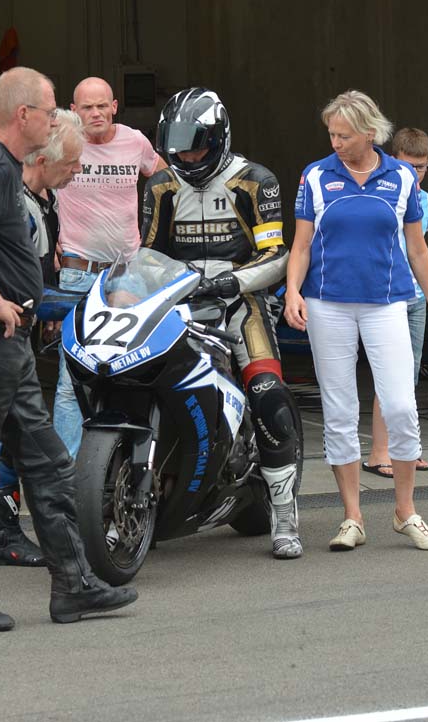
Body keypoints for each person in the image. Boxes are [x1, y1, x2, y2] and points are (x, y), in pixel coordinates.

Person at [0, 67, 137, 631]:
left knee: (45, 465)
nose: (55, 120)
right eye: (49, 110)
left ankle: (73, 587)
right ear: (24, 116)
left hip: (5, 346)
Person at [284, 90, 428, 553]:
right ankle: (352, 517)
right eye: (331, 134)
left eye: (343, 134)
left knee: (400, 405)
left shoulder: (401, 177)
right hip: (327, 303)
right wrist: (293, 291)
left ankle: (405, 511)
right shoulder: (315, 176)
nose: (335, 142)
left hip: (387, 302)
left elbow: (418, 248)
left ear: (370, 132)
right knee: (339, 411)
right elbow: (301, 244)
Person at [142, 87, 303, 560]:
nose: (185, 155)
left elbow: (277, 255)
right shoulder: (159, 185)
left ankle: (284, 510)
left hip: (241, 304)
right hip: (178, 305)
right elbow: (147, 255)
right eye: (176, 146)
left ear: (219, 138)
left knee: (269, 395)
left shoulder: (257, 181)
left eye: (195, 144)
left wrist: (232, 283)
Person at [0, 109, 84, 567]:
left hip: (21, 333)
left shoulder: (45, 198)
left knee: (15, 438)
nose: (78, 171)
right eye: (72, 164)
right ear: (43, 160)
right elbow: (17, 288)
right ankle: (2, 535)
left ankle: (4, 533)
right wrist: (80, 306)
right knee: (18, 441)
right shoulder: (16, 205)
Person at [53, 76, 165, 456]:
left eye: (102, 105)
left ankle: (126, 462)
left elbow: (166, 182)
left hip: (127, 275)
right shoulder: (62, 142)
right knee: (72, 379)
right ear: (74, 110)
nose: (96, 113)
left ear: (115, 106)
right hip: (76, 272)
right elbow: (32, 184)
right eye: (87, 107)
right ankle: (67, 475)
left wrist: (158, 243)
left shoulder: (135, 141)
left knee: (131, 368)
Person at [363, 127, 428, 479]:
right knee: (387, 375)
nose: (414, 173)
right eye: (408, 166)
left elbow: (418, 250)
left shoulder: (427, 203)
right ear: (394, 163)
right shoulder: (381, 194)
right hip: (386, 296)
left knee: (410, 373)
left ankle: (409, 449)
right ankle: (379, 451)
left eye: (421, 167)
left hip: (415, 297)